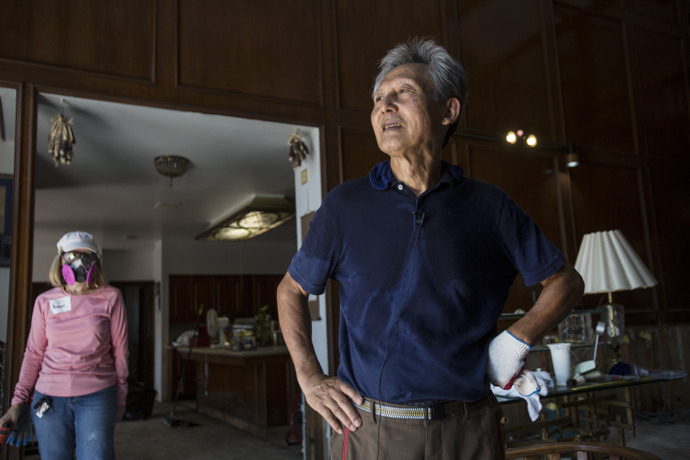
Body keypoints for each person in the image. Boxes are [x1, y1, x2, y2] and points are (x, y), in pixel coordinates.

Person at [276, 37, 584, 459]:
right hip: (372, 428)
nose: (386, 106)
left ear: (448, 110)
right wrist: (309, 376)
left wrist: (516, 342)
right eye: (380, 98)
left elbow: (565, 281)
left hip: (470, 426)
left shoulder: (489, 205)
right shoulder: (344, 206)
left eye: (403, 93)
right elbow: (290, 290)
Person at [0, 231, 129, 460]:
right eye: (72, 255)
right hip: (49, 398)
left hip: (97, 395)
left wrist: (121, 395)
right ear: (61, 260)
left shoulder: (111, 297)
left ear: (95, 262)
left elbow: (120, 351)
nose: (79, 261)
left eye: (86, 255)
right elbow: (33, 354)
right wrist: (18, 402)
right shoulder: (45, 302)